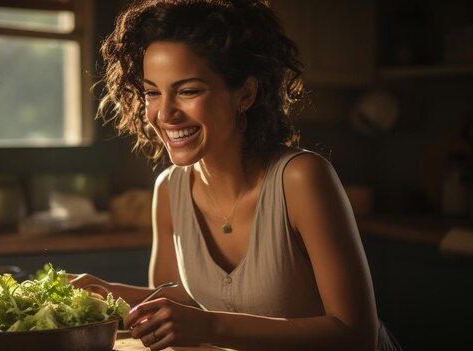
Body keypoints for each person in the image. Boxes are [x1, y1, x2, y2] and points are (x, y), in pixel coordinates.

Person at [70, 1, 401, 350]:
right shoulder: (170, 189)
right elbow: (180, 301)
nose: (164, 113)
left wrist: (210, 326)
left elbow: (356, 333)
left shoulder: (301, 178)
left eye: (188, 91)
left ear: (244, 93)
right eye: (153, 92)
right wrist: (104, 292)